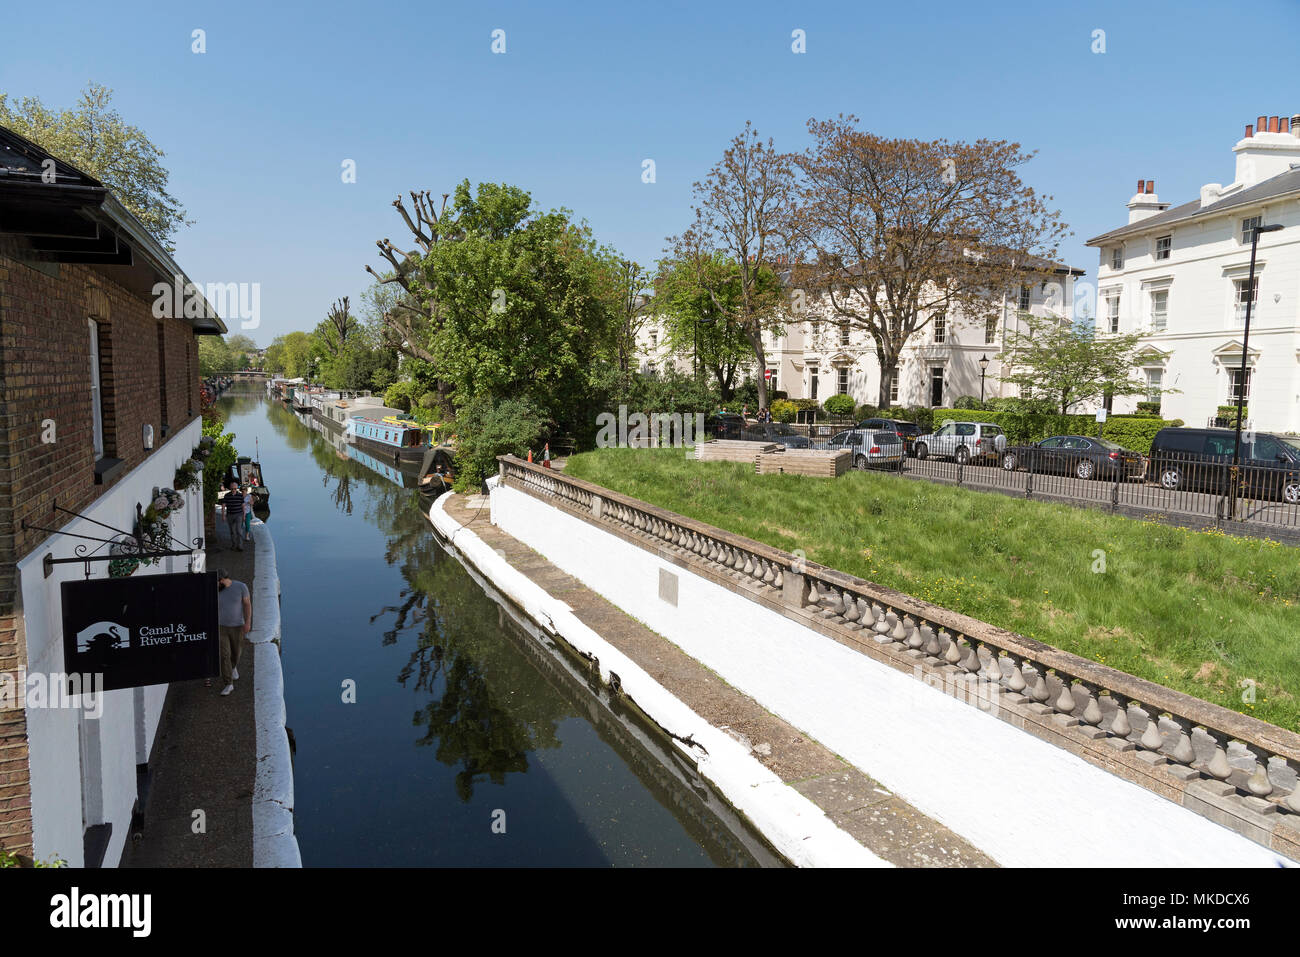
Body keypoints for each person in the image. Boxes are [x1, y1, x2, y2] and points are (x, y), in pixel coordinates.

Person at [215, 568, 251, 696]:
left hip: (238, 627)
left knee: (236, 653)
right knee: (224, 655)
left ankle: (233, 666)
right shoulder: (216, 591)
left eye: (217, 582)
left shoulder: (241, 587)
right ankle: (228, 684)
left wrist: (247, 622)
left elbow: (247, 604)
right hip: (220, 627)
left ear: (222, 580)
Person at [223, 481, 243, 551]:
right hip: (230, 515)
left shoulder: (240, 495)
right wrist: (223, 515)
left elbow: (243, 505)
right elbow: (223, 505)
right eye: (232, 489)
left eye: (235, 488)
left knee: (239, 531)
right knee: (232, 531)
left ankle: (240, 546)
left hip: (239, 515)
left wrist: (244, 515)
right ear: (230, 488)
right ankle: (234, 545)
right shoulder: (226, 495)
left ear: (237, 488)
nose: (233, 490)